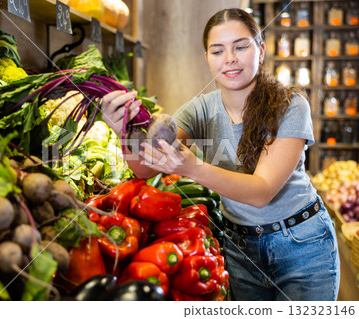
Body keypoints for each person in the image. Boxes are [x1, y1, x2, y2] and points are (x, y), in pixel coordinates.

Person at [100, 8, 340, 301]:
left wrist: (193, 167)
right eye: (218, 51)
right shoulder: (200, 109)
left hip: (303, 246)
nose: (230, 58)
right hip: (241, 250)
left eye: (241, 47)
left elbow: (261, 192)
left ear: (261, 50)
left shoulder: (291, 105)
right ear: (207, 59)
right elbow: (146, 168)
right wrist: (124, 131)